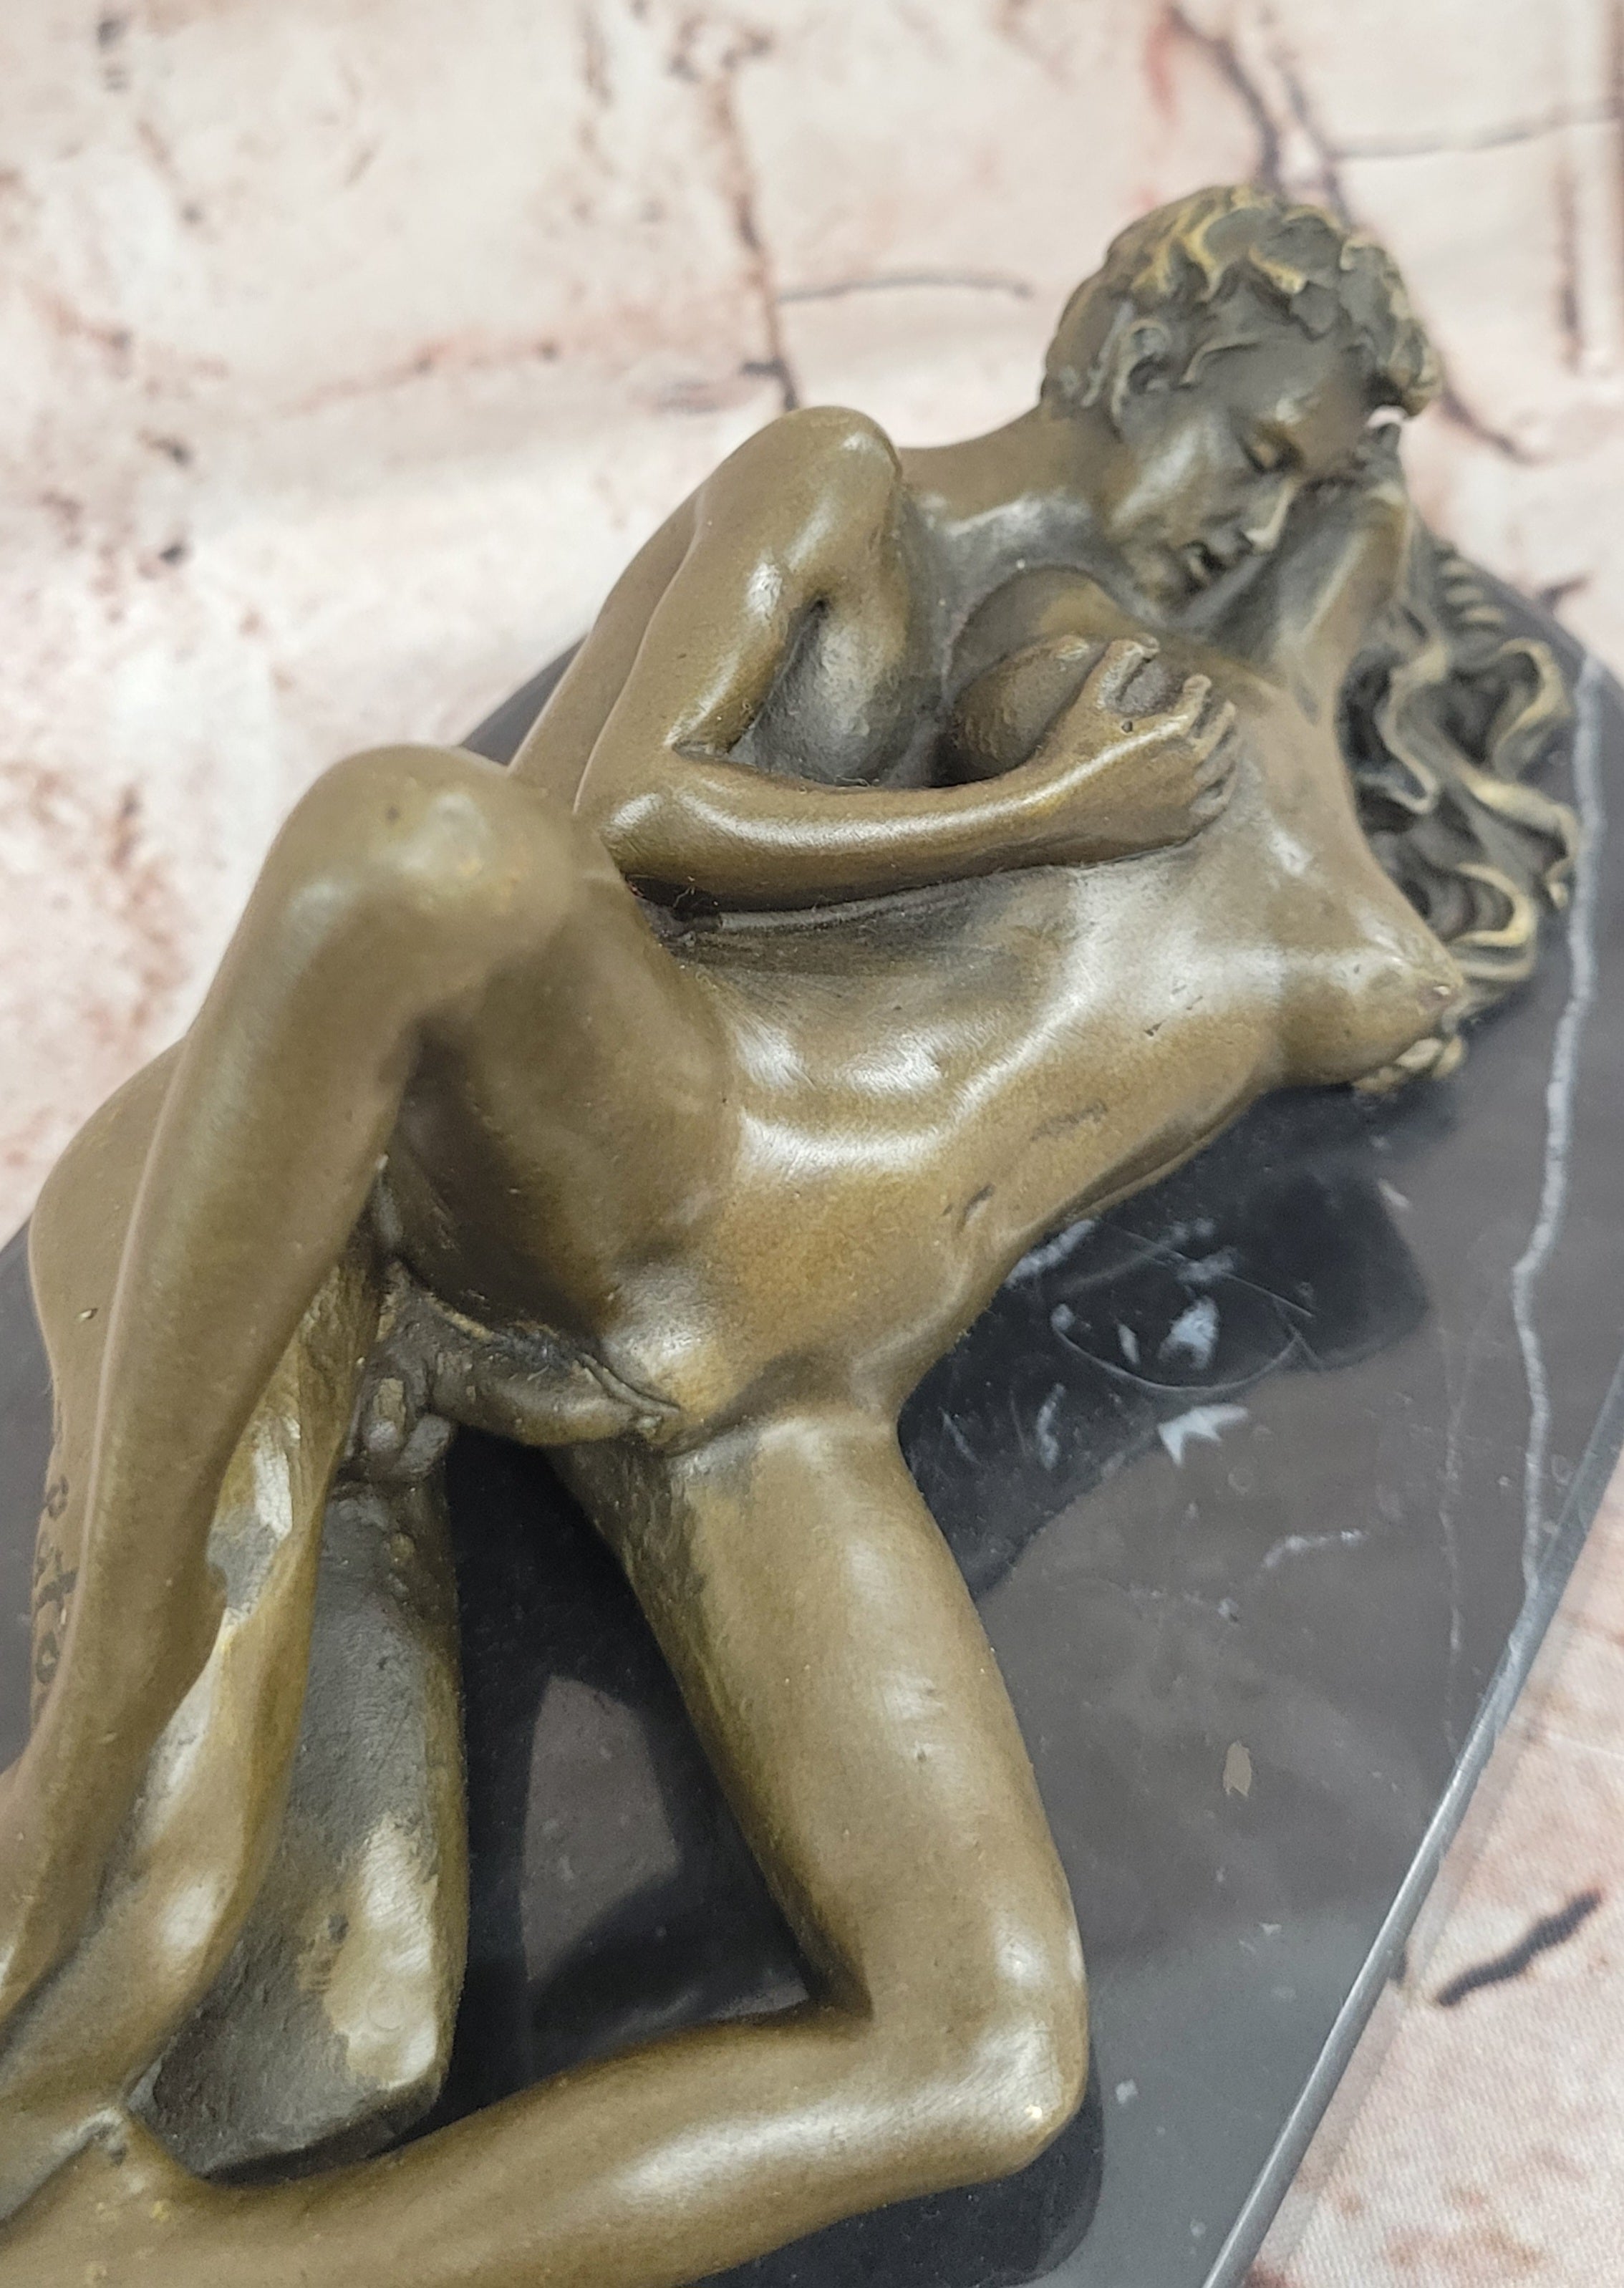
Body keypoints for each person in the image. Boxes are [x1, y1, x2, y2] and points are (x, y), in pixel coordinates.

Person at [0, 188, 1575, 2287]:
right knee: (164, 1916)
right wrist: (1036, 814)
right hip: (681, 1162)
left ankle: (149, 2270)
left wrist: (1340, 497)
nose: (1253, 517)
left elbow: (1355, 531)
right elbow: (593, 831)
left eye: (1297, 487)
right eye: (1253, 447)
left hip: (790, 1389)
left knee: (970, 2046)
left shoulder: (1249, 681)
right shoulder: (970, 584)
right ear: (1144, 350)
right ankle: (121, 1683)